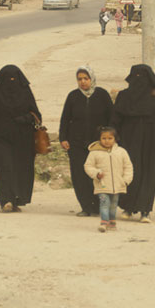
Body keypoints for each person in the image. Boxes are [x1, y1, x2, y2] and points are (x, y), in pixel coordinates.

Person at [111, 64, 155, 223]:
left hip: (151, 139)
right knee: (131, 172)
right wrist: (111, 140)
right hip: (129, 139)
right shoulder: (124, 96)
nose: (139, 80)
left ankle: (145, 211)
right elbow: (115, 121)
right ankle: (128, 208)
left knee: (149, 174)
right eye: (136, 76)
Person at [0, 65, 42, 213]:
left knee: (20, 170)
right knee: (5, 168)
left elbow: (37, 115)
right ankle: (5, 200)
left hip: (22, 140)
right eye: (8, 79)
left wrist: (23, 119)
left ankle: (15, 200)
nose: (11, 83)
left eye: (14, 79)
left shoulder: (26, 94)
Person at [59, 66, 113, 217]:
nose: (83, 82)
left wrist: (109, 138)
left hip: (99, 144)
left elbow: (112, 118)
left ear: (92, 79)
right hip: (76, 143)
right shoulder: (73, 96)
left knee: (99, 174)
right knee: (79, 175)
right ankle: (86, 206)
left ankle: (101, 206)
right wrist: (63, 138)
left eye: (85, 78)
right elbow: (65, 119)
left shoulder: (102, 95)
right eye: (79, 79)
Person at [84, 126, 133, 232]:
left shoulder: (121, 152)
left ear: (115, 139)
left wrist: (125, 180)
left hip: (118, 185)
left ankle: (112, 221)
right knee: (104, 202)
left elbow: (128, 167)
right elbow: (88, 166)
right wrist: (96, 174)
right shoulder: (94, 152)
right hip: (102, 184)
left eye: (110, 138)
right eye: (104, 138)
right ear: (99, 139)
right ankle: (104, 222)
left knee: (114, 205)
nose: (107, 141)